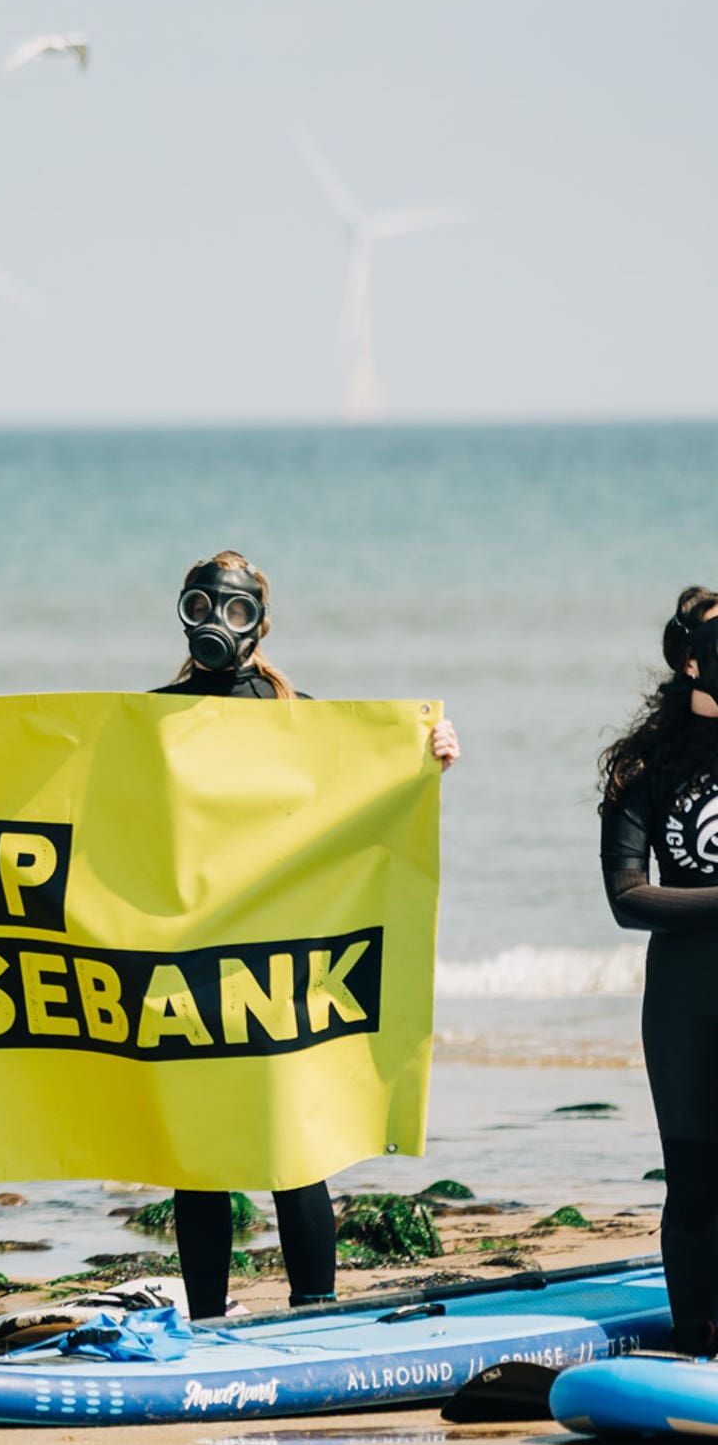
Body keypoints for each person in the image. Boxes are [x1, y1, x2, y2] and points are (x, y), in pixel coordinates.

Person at [151, 551, 459, 1320]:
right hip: (188, 962)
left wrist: (425, 761)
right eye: (201, 608)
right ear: (184, 613)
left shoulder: (303, 716)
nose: (217, 626)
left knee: (294, 1146)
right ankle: (208, 1321)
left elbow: (361, 803)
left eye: (235, 611)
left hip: (282, 963)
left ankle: (315, 1312)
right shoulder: (144, 719)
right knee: (199, 1155)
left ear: (260, 621)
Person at [598, 586, 718, 1350]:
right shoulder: (645, 764)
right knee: (695, 1182)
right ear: (690, 659)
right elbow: (627, 896)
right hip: (684, 1000)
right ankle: (694, 1337)